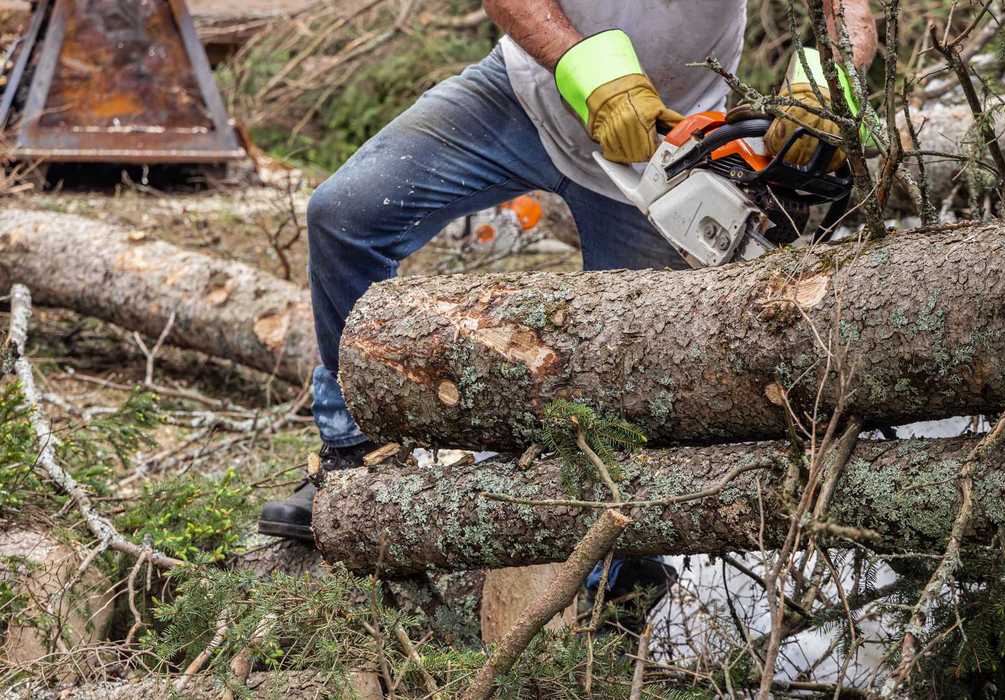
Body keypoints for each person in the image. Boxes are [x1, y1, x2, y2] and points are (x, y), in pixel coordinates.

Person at [259, 0, 877, 593]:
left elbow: (850, 9)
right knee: (346, 213)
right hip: (522, 98)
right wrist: (583, 66)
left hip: (665, 149)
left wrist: (831, 85)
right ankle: (354, 455)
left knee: (639, 372)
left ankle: (623, 571)